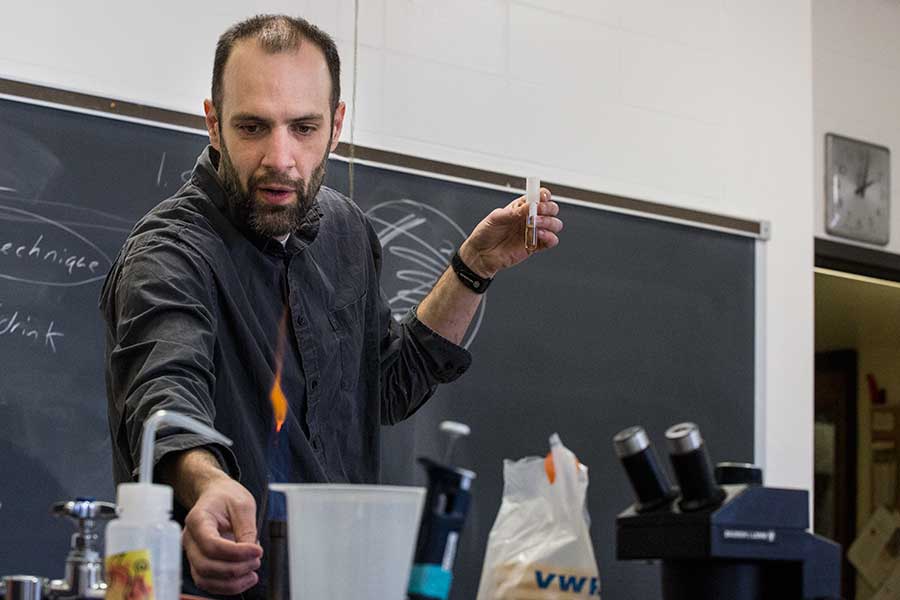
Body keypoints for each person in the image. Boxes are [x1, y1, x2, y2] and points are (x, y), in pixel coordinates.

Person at [100, 13, 563, 598]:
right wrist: (207, 482)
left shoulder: (346, 233)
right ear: (213, 125)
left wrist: (474, 268)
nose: (281, 157)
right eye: (252, 128)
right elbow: (163, 399)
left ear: (336, 125)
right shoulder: (169, 255)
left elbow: (386, 387)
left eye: (303, 127)